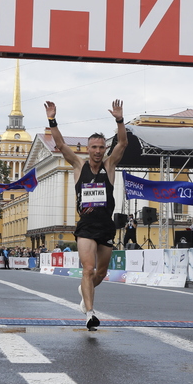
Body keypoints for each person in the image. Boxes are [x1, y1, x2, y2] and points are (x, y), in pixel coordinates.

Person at [44, 99, 128, 331]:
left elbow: (122, 142)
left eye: (101, 147)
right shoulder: (79, 166)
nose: (98, 151)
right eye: (94, 147)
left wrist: (119, 120)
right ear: (88, 148)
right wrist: (52, 119)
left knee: (100, 273)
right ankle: (90, 314)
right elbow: (60, 144)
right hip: (86, 228)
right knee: (88, 269)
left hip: (106, 227)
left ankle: (85, 290)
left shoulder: (109, 166)